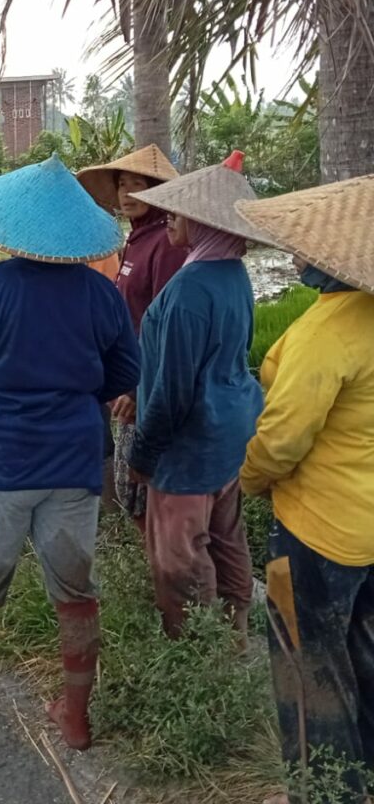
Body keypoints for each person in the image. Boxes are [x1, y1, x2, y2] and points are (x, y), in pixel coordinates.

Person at [0, 154, 140, 751]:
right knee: (76, 594)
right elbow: (124, 371)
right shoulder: (99, 293)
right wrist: (71, 394)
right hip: (74, 465)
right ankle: (74, 719)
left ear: (10, 228)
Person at [236, 176, 374, 804]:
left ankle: (320, 791)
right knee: (364, 664)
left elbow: (283, 439)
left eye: (304, 247)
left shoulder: (327, 332)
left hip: (318, 530)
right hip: (366, 527)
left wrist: (249, 479)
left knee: (309, 671)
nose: (294, 256)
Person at [125, 151, 264, 640]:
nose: (170, 220)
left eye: (179, 213)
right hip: (230, 432)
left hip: (189, 446)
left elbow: (173, 390)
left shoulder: (189, 290)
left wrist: (144, 452)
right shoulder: (233, 276)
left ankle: (199, 647)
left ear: (203, 222)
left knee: (179, 556)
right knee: (226, 537)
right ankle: (238, 628)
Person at [78, 145, 187, 528]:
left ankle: (163, 575)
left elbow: (165, 327)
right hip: (126, 377)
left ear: (157, 191)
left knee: (147, 491)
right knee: (132, 489)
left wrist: (139, 389)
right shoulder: (136, 241)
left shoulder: (166, 245)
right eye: (122, 185)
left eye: (137, 185)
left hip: (145, 385)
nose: (126, 194)